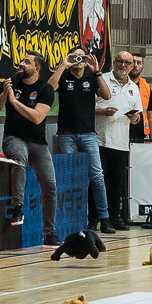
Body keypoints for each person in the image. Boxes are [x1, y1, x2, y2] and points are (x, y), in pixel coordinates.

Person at [0, 53, 57, 241]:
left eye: (27, 62)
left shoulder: (45, 89)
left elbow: (37, 117)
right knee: (19, 158)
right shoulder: (10, 83)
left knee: (50, 184)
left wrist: (14, 102)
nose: (21, 64)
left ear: (37, 69)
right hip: (13, 137)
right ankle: (17, 208)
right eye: (22, 60)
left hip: (38, 141)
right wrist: (5, 95)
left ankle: (49, 233)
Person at [49, 48, 113, 233]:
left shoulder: (91, 76)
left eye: (81, 57)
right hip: (66, 134)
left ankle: (104, 218)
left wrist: (97, 71)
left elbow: (106, 96)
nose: (78, 60)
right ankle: (73, 218)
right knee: (70, 177)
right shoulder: (64, 75)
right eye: (75, 57)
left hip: (88, 134)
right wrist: (63, 65)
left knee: (97, 176)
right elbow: (49, 89)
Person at [95, 51, 141, 231]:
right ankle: (95, 219)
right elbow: (88, 105)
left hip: (121, 142)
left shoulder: (134, 87)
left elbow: (137, 114)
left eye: (127, 63)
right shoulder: (102, 79)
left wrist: (135, 118)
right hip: (100, 140)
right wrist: (102, 112)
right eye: (119, 61)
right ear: (113, 62)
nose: (123, 65)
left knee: (116, 183)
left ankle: (115, 218)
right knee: (97, 182)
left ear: (131, 66)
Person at [129, 54, 152, 143]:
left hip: (140, 136)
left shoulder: (146, 87)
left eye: (138, 63)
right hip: (121, 134)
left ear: (142, 67)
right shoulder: (120, 84)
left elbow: (150, 114)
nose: (135, 65)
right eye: (133, 62)